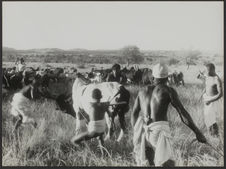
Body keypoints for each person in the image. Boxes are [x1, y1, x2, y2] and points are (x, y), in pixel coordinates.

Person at [131, 63, 207, 167]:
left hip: (144, 132)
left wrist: (136, 131)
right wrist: (198, 132)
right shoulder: (168, 90)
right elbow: (183, 114)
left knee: (151, 163)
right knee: (168, 164)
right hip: (160, 132)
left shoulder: (142, 91)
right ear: (167, 77)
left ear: (153, 77)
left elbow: (134, 113)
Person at [201, 63, 223, 137]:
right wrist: (202, 94)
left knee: (213, 120)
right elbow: (207, 87)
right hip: (207, 100)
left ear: (212, 70)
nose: (206, 72)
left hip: (214, 101)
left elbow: (220, 94)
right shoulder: (208, 77)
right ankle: (211, 135)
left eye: (207, 70)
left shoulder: (217, 79)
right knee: (208, 119)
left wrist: (210, 101)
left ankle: (216, 136)